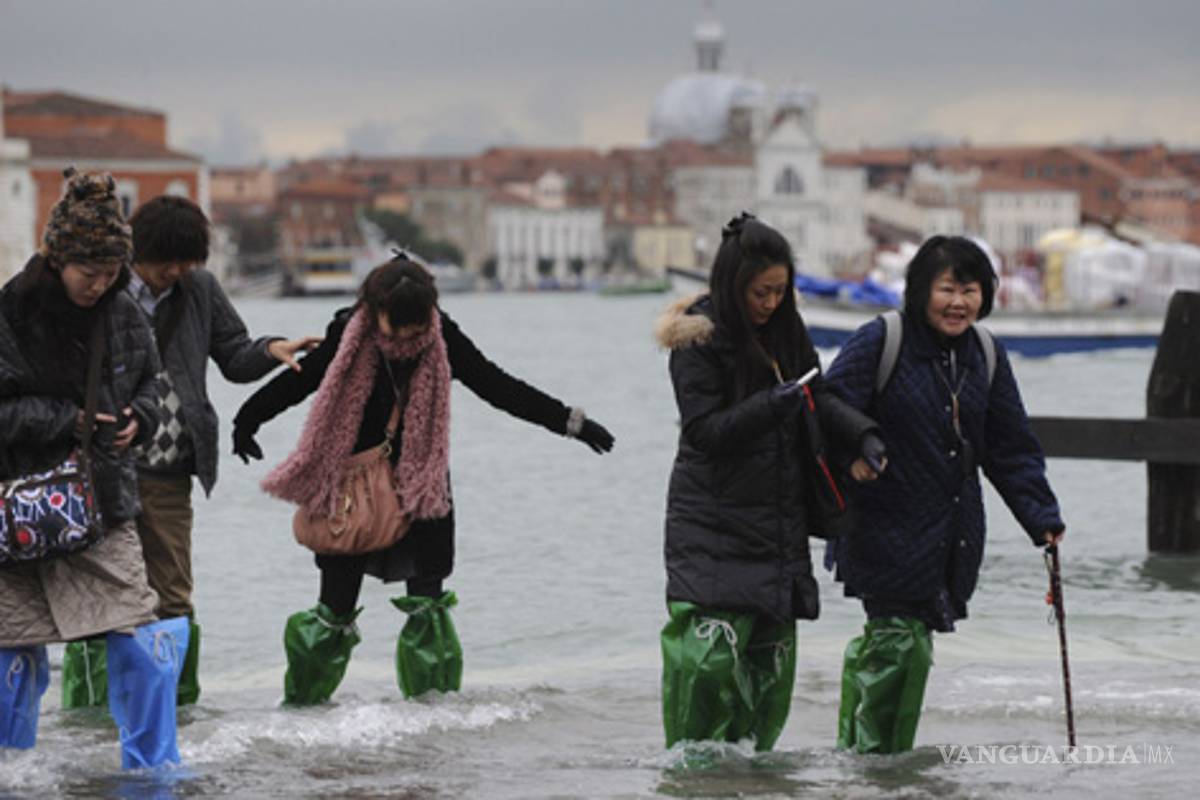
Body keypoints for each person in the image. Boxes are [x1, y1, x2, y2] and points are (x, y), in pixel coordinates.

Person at [232, 253, 615, 705]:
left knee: (428, 609)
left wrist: (571, 423)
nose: (410, 337)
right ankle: (303, 713)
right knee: (333, 609)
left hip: (422, 486)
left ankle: (432, 724)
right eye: (400, 327)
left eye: (418, 327)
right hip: (354, 486)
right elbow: (302, 381)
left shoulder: (440, 335)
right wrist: (247, 419)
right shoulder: (349, 335)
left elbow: (497, 386)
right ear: (374, 312)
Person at [60, 195, 321, 710]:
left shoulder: (198, 288)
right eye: (166, 262)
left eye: (186, 262)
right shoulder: (101, 291)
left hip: (171, 468)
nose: (174, 272)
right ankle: (89, 725)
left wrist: (273, 350)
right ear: (139, 252)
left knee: (173, 596)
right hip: (100, 465)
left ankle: (178, 714)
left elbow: (234, 353)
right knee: (95, 593)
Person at [823, 235, 1066, 754]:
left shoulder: (985, 354)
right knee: (901, 642)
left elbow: (1010, 445)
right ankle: (883, 767)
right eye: (948, 288)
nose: (959, 302)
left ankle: (861, 758)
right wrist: (852, 458)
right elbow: (826, 410)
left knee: (901, 643)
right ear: (920, 290)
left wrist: (1041, 516)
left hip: (951, 533)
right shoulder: (881, 340)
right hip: (882, 525)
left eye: (971, 290)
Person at [655, 213, 881, 752]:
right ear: (734, 287)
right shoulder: (697, 343)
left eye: (781, 291)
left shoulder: (786, 330)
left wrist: (864, 435)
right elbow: (705, 433)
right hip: (710, 525)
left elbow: (818, 395)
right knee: (707, 670)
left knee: (767, 676)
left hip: (777, 525)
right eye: (762, 292)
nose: (771, 302)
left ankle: (753, 778)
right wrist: (770, 405)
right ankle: (694, 780)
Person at [0, 168, 188, 767]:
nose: (101, 284)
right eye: (90, 272)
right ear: (57, 259)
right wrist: (68, 420)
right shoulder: (10, 312)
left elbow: (156, 383)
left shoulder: (126, 310)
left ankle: (153, 768)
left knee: (137, 627)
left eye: (112, 273)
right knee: (9, 646)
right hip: (17, 508)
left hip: (103, 500)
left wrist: (144, 418)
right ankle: (12, 771)